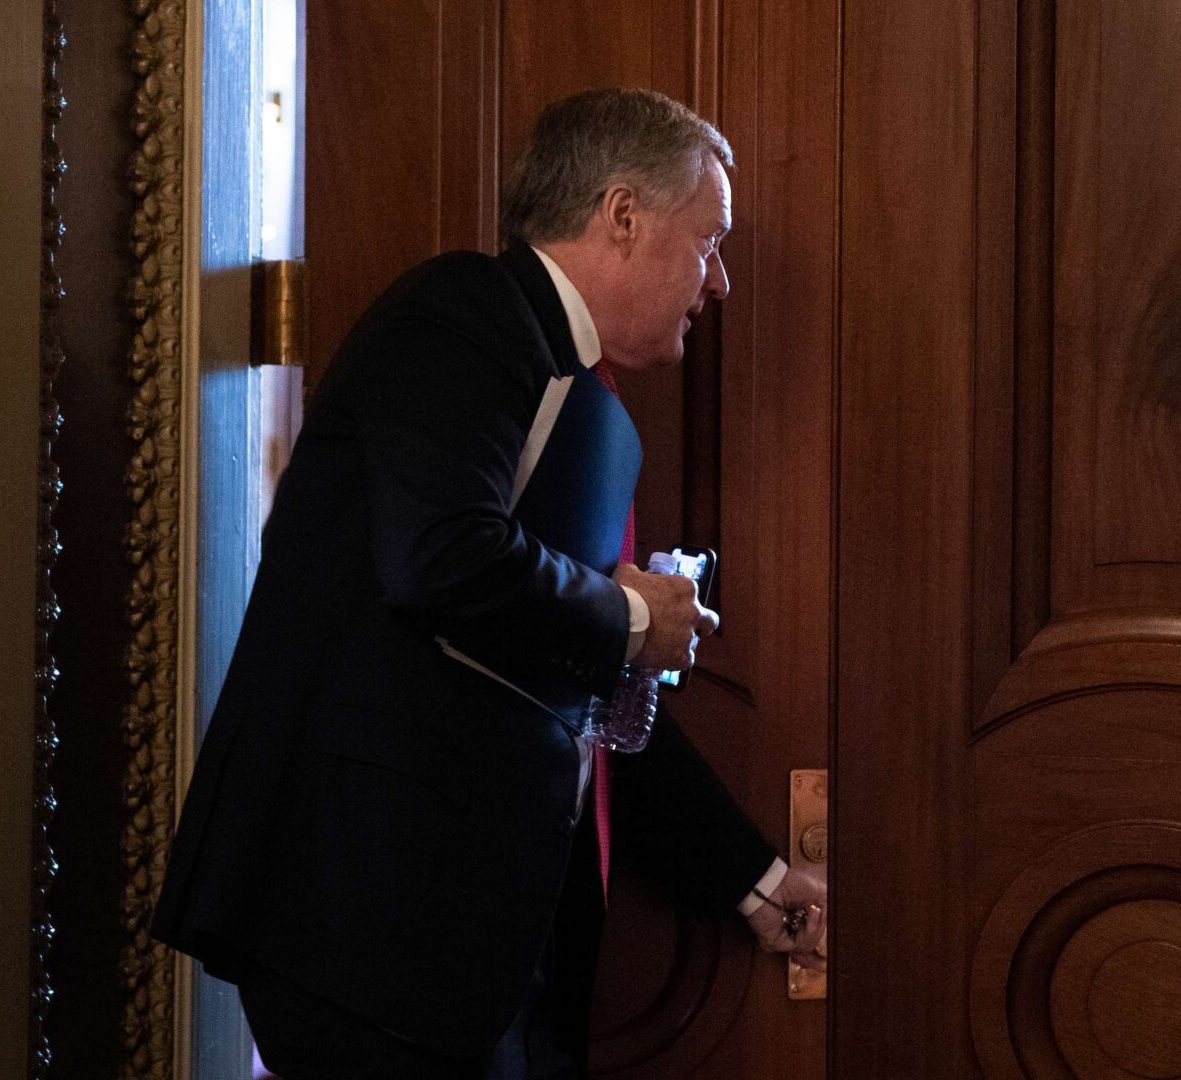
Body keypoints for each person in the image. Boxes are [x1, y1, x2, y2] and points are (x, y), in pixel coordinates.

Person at [152, 87, 826, 1079]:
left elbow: (562, 688)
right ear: (622, 214)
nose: (717, 279)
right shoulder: (464, 311)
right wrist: (630, 614)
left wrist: (756, 883)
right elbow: (442, 558)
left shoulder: (578, 394)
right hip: (368, 925)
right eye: (709, 241)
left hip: (466, 946)